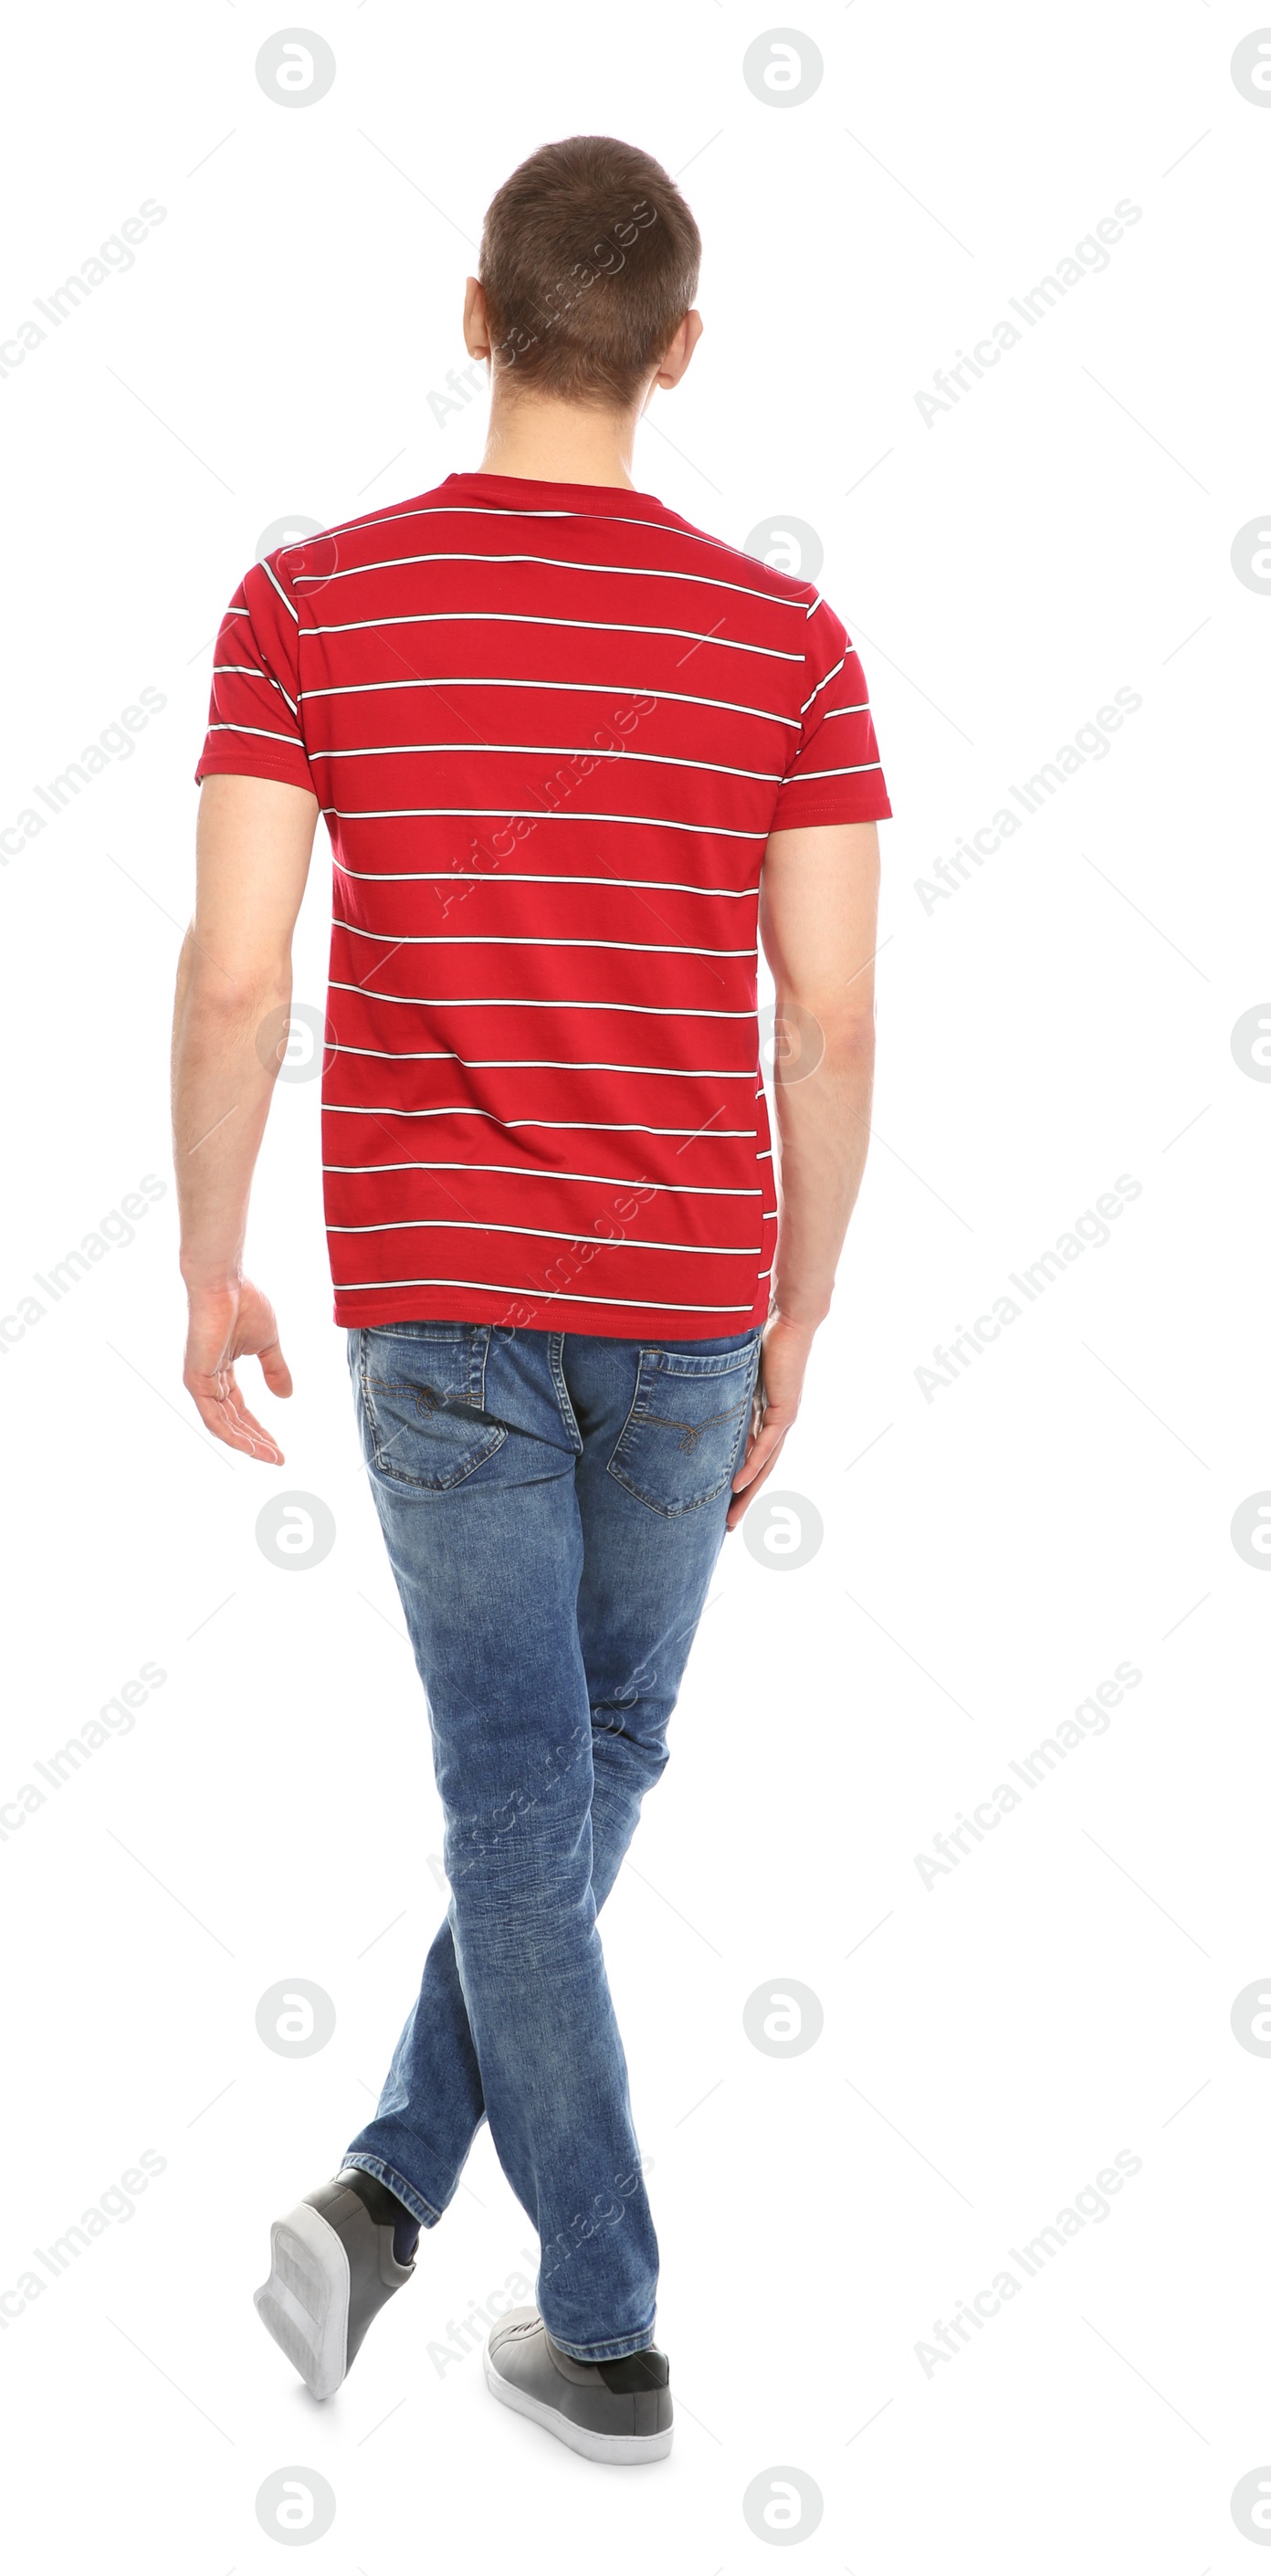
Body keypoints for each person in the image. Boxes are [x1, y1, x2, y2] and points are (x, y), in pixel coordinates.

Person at [171, 132, 889, 2465]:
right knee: (557, 1784)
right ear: (675, 351)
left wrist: (206, 1260)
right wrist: (799, 1306)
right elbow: (834, 1023)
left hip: (439, 1307)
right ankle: (601, 2315)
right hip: (686, 1296)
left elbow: (237, 969)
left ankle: (387, 2192)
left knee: (540, 1788)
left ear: (472, 313)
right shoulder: (786, 644)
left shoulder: (305, 606)